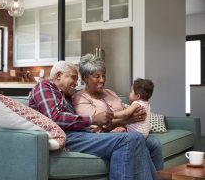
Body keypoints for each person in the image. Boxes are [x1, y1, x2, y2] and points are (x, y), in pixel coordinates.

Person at [29, 60, 158, 180]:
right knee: (131, 138)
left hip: (81, 134)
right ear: (58, 76)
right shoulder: (44, 86)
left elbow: (79, 120)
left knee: (138, 139)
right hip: (65, 136)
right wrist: (93, 119)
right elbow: (55, 117)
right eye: (73, 77)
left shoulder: (66, 95)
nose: (76, 83)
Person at [73, 53, 163, 171]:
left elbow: (126, 111)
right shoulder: (81, 98)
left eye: (104, 76)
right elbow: (96, 126)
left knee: (154, 142)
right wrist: (127, 120)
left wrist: (132, 117)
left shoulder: (111, 93)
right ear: (85, 78)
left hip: (127, 132)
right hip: (107, 138)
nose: (102, 80)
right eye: (97, 76)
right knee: (138, 141)